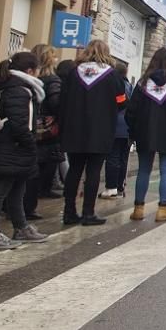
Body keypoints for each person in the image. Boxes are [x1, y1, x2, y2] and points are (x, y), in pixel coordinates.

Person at [59, 40, 126, 226]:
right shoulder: (112, 75)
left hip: (74, 129)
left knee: (74, 170)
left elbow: (63, 101)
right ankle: (88, 213)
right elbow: (121, 101)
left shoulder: (73, 73)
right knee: (94, 171)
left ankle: (69, 212)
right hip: (100, 129)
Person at [126, 48, 166, 222]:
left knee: (144, 170)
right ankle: (163, 208)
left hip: (145, 132)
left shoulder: (142, 85)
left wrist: (133, 131)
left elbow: (131, 112)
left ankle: (138, 208)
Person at [0, 51, 49, 248]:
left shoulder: (16, 86)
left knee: (17, 189)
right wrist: (30, 143)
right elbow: (19, 124)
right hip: (11, 147)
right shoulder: (19, 90)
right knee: (0, 191)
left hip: (13, 147)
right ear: (30, 71)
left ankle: (21, 227)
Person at [24, 44, 64, 217]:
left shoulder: (28, 79)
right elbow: (56, 103)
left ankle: (21, 205)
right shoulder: (53, 80)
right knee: (40, 167)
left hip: (30, 126)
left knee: (28, 168)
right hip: (46, 129)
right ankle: (29, 206)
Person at [101, 61, 133, 200]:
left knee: (113, 157)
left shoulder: (113, 84)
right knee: (123, 158)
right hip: (127, 127)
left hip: (114, 125)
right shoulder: (130, 86)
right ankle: (120, 186)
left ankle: (111, 187)